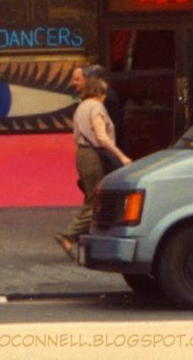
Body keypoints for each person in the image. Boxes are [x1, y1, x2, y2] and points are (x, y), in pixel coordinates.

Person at [57, 76, 131, 258]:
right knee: (97, 199)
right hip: (94, 155)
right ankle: (69, 235)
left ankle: (87, 239)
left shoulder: (81, 106)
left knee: (92, 196)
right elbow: (101, 137)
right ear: (98, 92)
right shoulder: (96, 107)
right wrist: (121, 155)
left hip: (83, 153)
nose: (106, 96)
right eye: (104, 92)